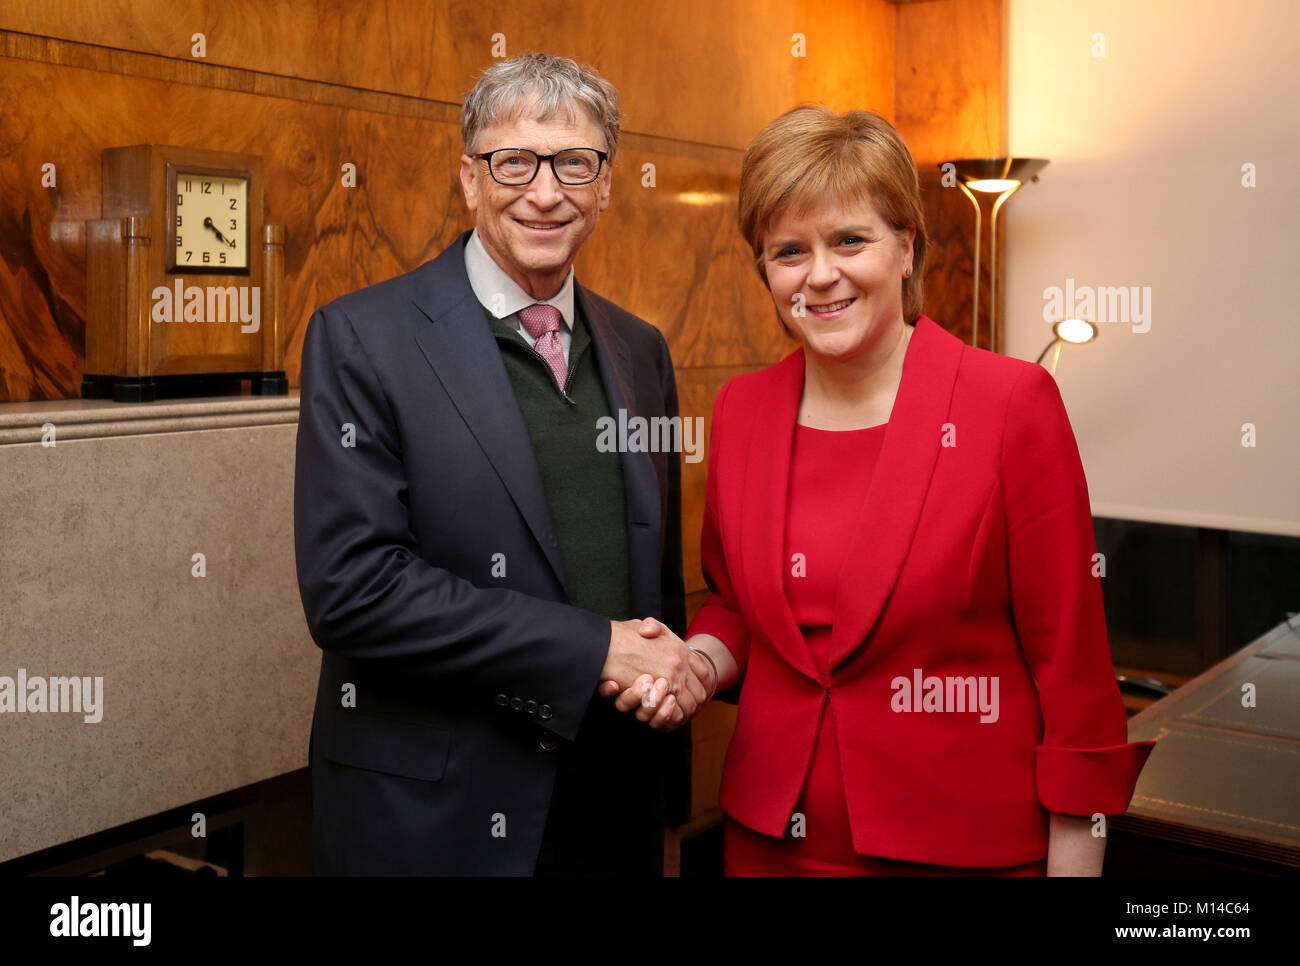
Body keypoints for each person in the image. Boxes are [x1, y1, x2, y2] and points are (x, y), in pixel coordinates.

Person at [602, 105, 1156, 876]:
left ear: (906, 246)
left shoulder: (1009, 405)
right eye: (788, 251)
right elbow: (738, 607)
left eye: (849, 240)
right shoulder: (742, 410)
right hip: (768, 843)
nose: (820, 275)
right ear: (764, 270)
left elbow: (1075, 675)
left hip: (963, 851)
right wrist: (696, 662)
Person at [294, 52, 709, 876]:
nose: (546, 192)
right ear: (470, 178)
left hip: (611, 802)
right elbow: (352, 591)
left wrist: (667, 778)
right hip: (437, 813)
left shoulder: (640, 349)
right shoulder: (361, 339)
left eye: (575, 164)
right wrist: (593, 649)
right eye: (514, 161)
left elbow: (654, 580)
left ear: (607, 184)